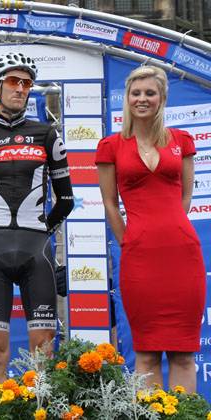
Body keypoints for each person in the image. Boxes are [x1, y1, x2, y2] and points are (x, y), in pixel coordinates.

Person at [0, 52, 74, 383]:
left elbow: (65, 199)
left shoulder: (48, 135)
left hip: (36, 250)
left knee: (44, 352)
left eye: (26, 83)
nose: (20, 89)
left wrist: (41, 231)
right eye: (13, 81)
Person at [96, 65, 205, 391]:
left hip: (183, 255)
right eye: (136, 93)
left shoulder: (181, 141)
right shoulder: (111, 146)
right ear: (127, 98)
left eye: (150, 93)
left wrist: (169, 228)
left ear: (162, 98)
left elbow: (185, 197)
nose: (142, 99)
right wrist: (129, 240)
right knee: (146, 354)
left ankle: (186, 416)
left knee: (184, 354)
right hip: (139, 258)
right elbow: (110, 204)